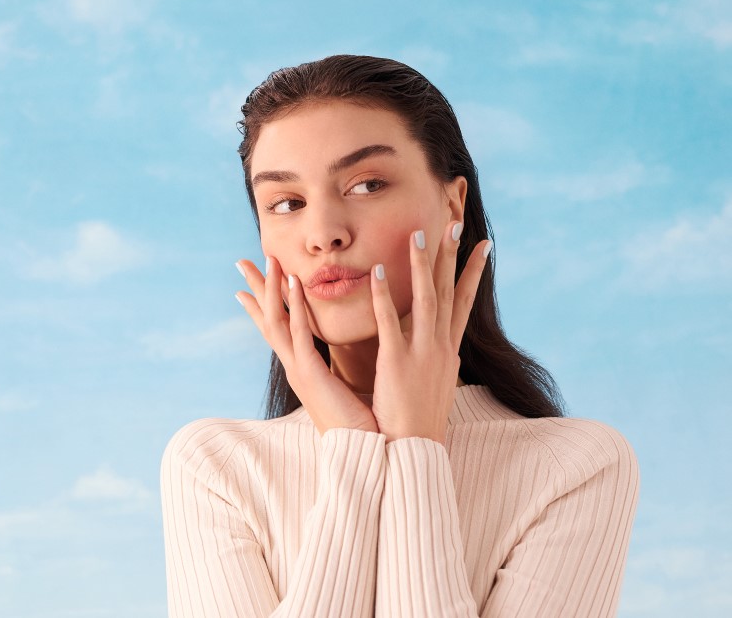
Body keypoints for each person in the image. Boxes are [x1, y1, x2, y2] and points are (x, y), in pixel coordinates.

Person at [160, 55, 639, 617]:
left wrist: (416, 445)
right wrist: (351, 442)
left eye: (367, 184)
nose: (323, 235)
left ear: (452, 203)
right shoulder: (216, 467)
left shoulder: (576, 466)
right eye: (286, 203)